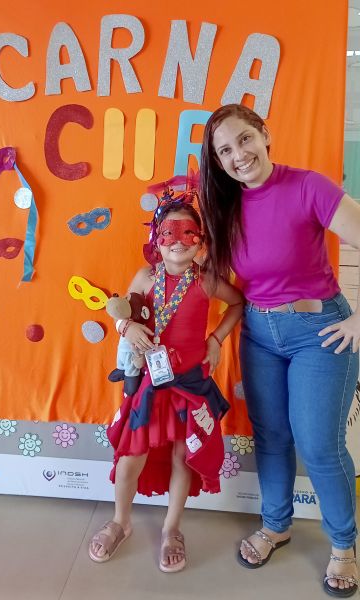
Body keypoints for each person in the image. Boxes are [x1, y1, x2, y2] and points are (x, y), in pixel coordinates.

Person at [199, 103, 359, 597]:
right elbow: (222, 282)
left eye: (245, 139)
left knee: (319, 445)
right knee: (270, 437)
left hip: (320, 333)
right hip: (259, 335)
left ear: (265, 134)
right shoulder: (224, 206)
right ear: (218, 161)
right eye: (225, 150)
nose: (238, 155)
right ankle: (276, 525)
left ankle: (344, 544)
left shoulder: (308, 186)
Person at [88, 189, 243, 572]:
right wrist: (126, 327)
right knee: (130, 458)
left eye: (188, 233)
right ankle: (120, 521)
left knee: (182, 457)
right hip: (151, 386)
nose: (178, 241)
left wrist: (216, 339)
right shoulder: (146, 276)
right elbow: (121, 311)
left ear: (200, 240)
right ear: (157, 240)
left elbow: (238, 303)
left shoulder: (207, 281)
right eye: (169, 233)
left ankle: (172, 528)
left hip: (190, 384)